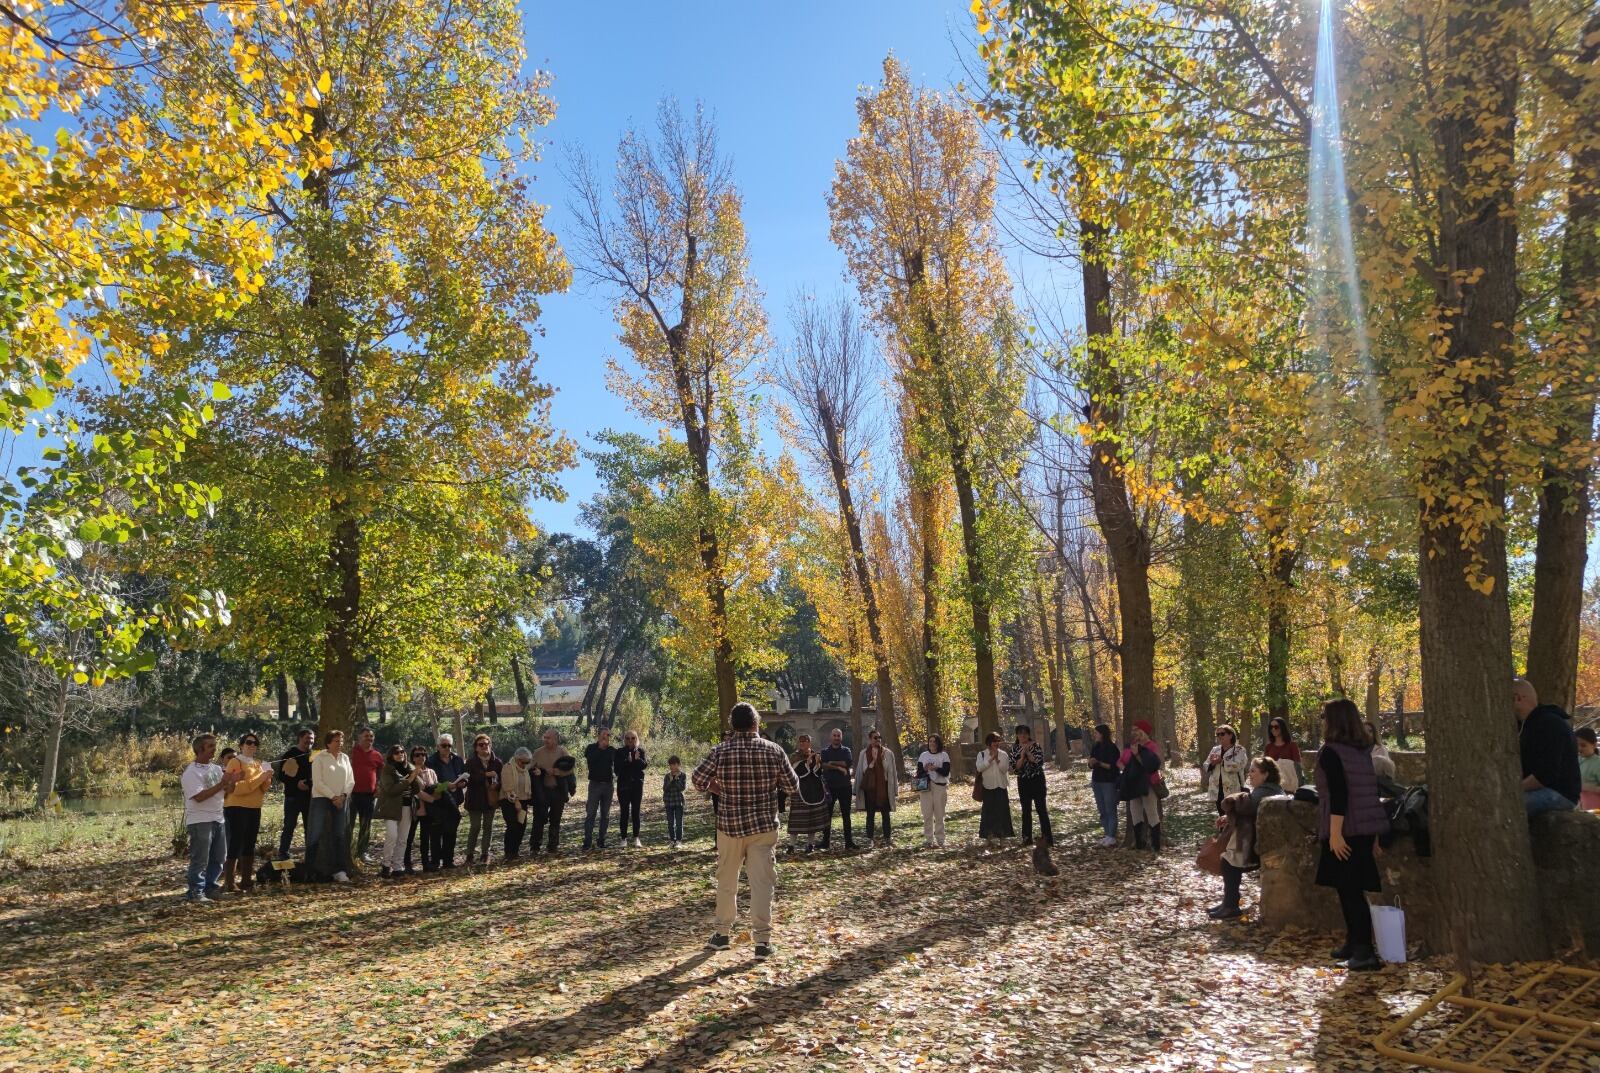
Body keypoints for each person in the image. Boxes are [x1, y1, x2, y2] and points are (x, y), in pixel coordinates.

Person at [691, 702, 800, 959]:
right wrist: (771, 782)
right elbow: (792, 786)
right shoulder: (773, 750)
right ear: (756, 723)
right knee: (762, 884)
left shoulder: (720, 751)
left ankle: (722, 934)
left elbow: (697, 779)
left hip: (730, 827)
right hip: (763, 826)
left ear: (732, 725)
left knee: (727, 881)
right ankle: (762, 941)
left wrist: (718, 788)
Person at [1315, 698, 1390, 972]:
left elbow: (1339, 794)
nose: (1322, 721)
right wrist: (1374, 834)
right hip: (1362, 829)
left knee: (1350, 891)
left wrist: (1335, 834)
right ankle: (1353, 942)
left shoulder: (1331, 752)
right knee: (1349, 888)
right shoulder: (1360, 752)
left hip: (1346, 829)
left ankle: (1364, 950)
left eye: (1324, 716)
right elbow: (1370, 793)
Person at [1209, 757, 1283, 920]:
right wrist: (1229, 817)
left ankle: (1231, 906)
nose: (1250, 774)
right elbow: (1249, 809)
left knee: (1229, 862)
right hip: (1257, 838)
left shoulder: (1266, 791)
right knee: (1229, 861)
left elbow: (1247, 807)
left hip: (1257, 842)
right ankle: (1228, 903)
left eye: (1253, 771)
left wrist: (1235, 800)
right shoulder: (1266, 790)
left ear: (1265, 774)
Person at [181, 733, 241, 904]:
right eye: (210, 746)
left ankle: (210, 888)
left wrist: (233, 781)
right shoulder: (191, 772)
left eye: (215, 745)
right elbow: (199, 797)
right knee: (200, 859)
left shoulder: (216, 769)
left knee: (219, 857)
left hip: (218, 818)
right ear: (200, 749)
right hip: (200, 821)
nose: (215, 749)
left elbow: (227, 792)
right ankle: (195, 893)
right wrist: (222, 784)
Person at [1514, 678, 1582, 816]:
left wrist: (1513, 789)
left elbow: (1545, 775)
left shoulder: (1549, 724)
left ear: (1518, 698)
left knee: (1506, 805)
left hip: (1559, 793)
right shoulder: (1525, 725)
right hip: (1540, 789)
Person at [222, 733, 273, 893]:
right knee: (236, 842)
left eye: (255, 743)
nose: (252, 745)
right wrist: (261, 778)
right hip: (236, 807)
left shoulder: (258, 764)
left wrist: (267, 778)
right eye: (248, 742)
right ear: (241, 746)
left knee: (250, 842)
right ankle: (229, 882)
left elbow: (262, 788)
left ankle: (246, 880)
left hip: (254, 807)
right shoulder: (235, 762)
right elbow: (237, 788)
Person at [308, 729, 355, 883]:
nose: (340, 743)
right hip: (321, 798)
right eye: (336, 741)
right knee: (315, 834)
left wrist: (343, 796)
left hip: (341, 799)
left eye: (341, 741)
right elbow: (318, 782)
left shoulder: (345, 758)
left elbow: (351, 780)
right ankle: (310, 871)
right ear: (328, 743)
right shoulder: (319, 758)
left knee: (339, 834)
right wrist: (333, 797)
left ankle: (340, 870)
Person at [376, 743, 420, 879]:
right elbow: (391, 790)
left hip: (407, 806)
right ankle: (386, 865)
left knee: (402, 839)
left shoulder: (410, 768)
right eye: (397, 752)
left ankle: (397, 866)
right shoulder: (387, 769)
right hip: (391, 807)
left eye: (402, 752)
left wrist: (415, 777)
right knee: (392, 836)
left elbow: (417, 789)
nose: (400, 754)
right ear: (391, 755)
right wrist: (409, 779)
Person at [1120, 722, 1164, 851]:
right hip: (1133, 784)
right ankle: (1139, 844)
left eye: (1138, 730)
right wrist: (1126, 769)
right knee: (1135, 813)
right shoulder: (1131, 746)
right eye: (1134, 730)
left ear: (1144, 732)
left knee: (1151, 813)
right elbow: (1122, 761)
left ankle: (1156, 845)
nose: (1135, 733)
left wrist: (1138, 754)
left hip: (1148, 784)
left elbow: (1151, 765)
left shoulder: (1152, 746)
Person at [426, 734, 467, 868]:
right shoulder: (431, 761)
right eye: (444, 745)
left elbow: (464, 775)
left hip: (454, 801)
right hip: (438, 802)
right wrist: (445, 786)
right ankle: (435, 862)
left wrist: (463, 783)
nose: (447, 748)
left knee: (451, 832)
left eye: (449, 745)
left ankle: (448, 861)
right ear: (438, 747)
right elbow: (430, 785)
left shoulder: (457, 760)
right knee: (436, 833)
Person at [530, 728, 573, 854]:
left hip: (558, 791)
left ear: (555, 739)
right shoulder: (538, 752)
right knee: (538, 818)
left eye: (548, 738)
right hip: (542, 791)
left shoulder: (562, 751)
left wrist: (558, 772)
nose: (546, 740)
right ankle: (535, 846)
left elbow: (570, 768)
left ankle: (553, 846)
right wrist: (537, 772)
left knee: (555, 819)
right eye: (545, 737)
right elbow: (530, 768)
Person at [463, 734, 502, 866]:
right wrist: (485, 775)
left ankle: (485, 854)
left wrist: (497, 784)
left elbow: (502, 779)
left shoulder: (497, 762)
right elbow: (468, 778)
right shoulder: (470, 762)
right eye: (481, 744)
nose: (485, 746)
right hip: (474, 799)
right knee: (475, 826)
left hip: (491, 799)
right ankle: (469, 854)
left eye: (487, 744)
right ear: (476, 748)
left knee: (488, 826)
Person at [855, 728, 898, 847]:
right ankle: (870, 839)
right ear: (870, 739)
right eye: (875, 737)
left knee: (886, 814)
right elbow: (862, 770)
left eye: (879, 737)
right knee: (870, 815)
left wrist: (882, 760)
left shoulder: (887, 753)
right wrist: (873, 762)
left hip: (884, 787)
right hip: (870, 788)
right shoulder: (864, 753)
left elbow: (892, 772)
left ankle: (887, 838)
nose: (878, 739)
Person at [1011, 724, 1052, 846]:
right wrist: (1022, 756)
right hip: (1023, 781)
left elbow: (1038, 762)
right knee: (1026, 810)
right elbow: (1015, 767)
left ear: (1028, 734)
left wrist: (1028, 753)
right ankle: (1027, 838)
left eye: (1025, 733)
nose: (1023, 735)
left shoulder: (1036, 746)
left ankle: (1047, 838)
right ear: (1017, 735)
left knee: (1041, 809)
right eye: (1020, 733)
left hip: (1037, 780)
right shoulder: (1014, 749)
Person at [348, 725, 385, 862]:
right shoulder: (351, 752)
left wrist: (379, 787)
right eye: (366, 736)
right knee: (348, 825)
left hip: (369, 796)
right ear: (359, 737)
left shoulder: (377, 755)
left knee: (366, 825)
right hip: (351, 795)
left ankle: (362, 852)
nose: (369, 738)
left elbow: (381, 774)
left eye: (371, 736)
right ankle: (347, 851)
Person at [276, 727, 314, 859]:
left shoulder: (314, 755)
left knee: (310, 828)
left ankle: (310, 855)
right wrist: (296, 783)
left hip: (309, 798)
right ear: (300, 738)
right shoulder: (290, 754)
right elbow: (281, 776)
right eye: (307, 738)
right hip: (292, 797)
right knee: (289, 826)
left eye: (312, 739)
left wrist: (310, 784)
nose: (309, 741)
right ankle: (283, 853)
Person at [787, 735, 829, 852]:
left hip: (815, 791)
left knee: (812, 818)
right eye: (800, 741)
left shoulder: (816, 755)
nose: (802, 743)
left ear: (809, 743)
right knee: (796, 819)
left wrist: (817, 764)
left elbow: (819, 773)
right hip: (800, 791)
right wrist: (807, 764)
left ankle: (810, 844)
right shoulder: (794, 756)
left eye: (804, 741)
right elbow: (793, 773)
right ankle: (791, 845)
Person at [818, 727, 855, 851]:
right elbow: (823, 765)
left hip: (845, 787)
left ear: (841, 737)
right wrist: (838, 767)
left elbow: (847, 763)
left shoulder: (846, 750)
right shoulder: (825, 751)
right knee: (827, 816)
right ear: (831, 736)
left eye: (838, 735)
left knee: (846, 815)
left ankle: (849, 842)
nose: (836, 738)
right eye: (834, 735)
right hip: (829, 788)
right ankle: (825, 842)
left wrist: (831, 763)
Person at [974, 731, 1014, 847]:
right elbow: (979, 768)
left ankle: (1002, 838)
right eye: (994, 741)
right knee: (988, 813)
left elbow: (1004, 769)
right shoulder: (982, 754)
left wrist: (997, 759)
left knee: (1002, 812)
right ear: (989, 742)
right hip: (987, 787)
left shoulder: (1003, 754)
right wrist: (991, 759)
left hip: (1001, 786)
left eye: (998, 741)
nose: (996, 743)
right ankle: (988, 838)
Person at [583, 728, 618, 851]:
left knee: (605, 814)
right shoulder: (591, 748)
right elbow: (591, 760)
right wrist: (600, 748)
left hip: (608, 785)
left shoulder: (612, 750)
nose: (605, 737)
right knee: (591, 813)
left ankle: (601, 841)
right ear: (598, 736)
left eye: (608, 735)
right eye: (603, 735)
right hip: (595, 785)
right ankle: (587, 842)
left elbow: (619, 765)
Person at [915, 733, 952, 849]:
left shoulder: (944, 755)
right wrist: (925, 769)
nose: (932, 743)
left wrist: (935, 768)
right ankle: (929, 839)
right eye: (930, 741)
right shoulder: (923, 756)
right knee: (927, 814)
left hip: (940, 787)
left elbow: (946, 772)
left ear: (938, 743)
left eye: (934, 741)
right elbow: (919, 773)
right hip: (926, 787)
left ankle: (940, 839)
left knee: (939, 814)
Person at [1088, 724, 1121, 847]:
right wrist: (1091, 763)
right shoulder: (1095, 747)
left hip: (1109, 782)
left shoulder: (1112, 748)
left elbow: (1113, 767)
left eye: (1097, 733)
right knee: (1102, 810)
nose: (1095, 735)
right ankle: (1107, 835)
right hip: (1096, 781)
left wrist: (1099, 763)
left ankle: (1112, 836)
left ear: (1102, 734)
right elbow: (1090, 763)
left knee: (1110, 809)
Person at [1203, 724, 1249, 814]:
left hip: (1233, 788)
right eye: (1217, 734)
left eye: (1222, 734)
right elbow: (1205, 765)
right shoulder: (1215, 749)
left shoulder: (1239, 750)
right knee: (1222, 815)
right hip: (1217, 789)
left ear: (1230, 735)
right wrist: (1212, 763)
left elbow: (1239, 765)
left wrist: (1222, 761)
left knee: (1234, 815)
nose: (1219, 736)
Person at [499, 747, 535, 860]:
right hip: (508, 800)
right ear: (517, 759)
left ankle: (515, 851)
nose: (525, 765)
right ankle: (508, 852)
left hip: (523, 801)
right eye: (524, 762)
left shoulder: (525, 770)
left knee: (521, 826)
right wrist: (516, 802)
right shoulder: (508, 767)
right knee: (512, 826)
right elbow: (508, 787)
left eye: (527, 762)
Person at [406, 746, 436, 873]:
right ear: (413, 757)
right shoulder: (409, 771)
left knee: (426, 837)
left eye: (423, 754)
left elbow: (436, 787)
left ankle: (426, 863)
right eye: (417, 755)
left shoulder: (431, 772)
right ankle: (407, 864)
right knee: (409, 837)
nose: (421, 757)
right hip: (414, 809)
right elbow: (415, 790)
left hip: (428, 810)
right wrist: (431, 799)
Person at [616, 730, 648, 848]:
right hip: (623, 787)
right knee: (624, 812)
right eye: (628, 738)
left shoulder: (640, 751)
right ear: (624, 740)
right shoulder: (619, 752)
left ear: (636, 739)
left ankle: (636, 838)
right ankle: (623, 838)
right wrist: (627, 761)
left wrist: (637, 759)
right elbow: (617, 769)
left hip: (637, 786)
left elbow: (644, 766)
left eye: (633, 738)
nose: (630, 740)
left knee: (636, 811)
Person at [1263, 717, 1302, 792]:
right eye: (1271, 727)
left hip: (1289, 785)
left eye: (1276, 727)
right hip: (1273, 784)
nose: (1273, 729)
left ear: (1282, 728)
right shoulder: (1268, 747)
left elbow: (1297, 765)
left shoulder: (1292, 745)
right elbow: (1265, 765)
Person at [664, 755, 687, 849]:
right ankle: (672, 840)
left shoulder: (682, 775)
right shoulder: (667, 776)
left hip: (678, 801)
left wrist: (676, 779)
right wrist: (670, 781)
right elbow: (665, 788)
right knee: (670, 822)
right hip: (669, 801)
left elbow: (682, 788)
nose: (672, 767)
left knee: (679, 822)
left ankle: (678, 841)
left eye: (674, 764)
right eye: (670, 765)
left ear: (678, 764)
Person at [1578, 727, 1600, 810]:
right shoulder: (1578, 760)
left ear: (1594, 745)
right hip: (1582, 806)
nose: (1579, 748)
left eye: (1583, 745)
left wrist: (1589, 787)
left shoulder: (1598, 763)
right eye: (1577, 745)